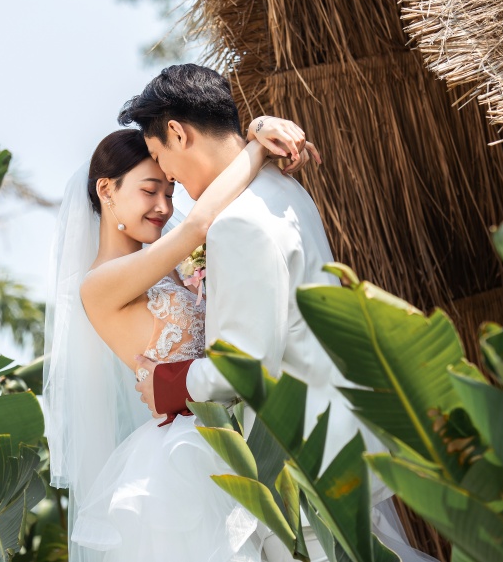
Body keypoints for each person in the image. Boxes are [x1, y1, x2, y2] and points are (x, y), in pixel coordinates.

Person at [125, 64, 437, 562]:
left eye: (162, 158)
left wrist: (165, 385)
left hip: (304, 461)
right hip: (341, 436)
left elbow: (244, 364)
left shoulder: (237, 223)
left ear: (178, 133)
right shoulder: (283, 188)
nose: (170, 179)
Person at [42, 116, 318, 562]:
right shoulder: (98, 285)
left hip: (243, 424)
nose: (164, 207)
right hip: (187, 454)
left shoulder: (167, 262)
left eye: (170, 193)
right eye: (150, 191)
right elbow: (200, 226)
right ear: (106, 190)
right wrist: (256, 143)